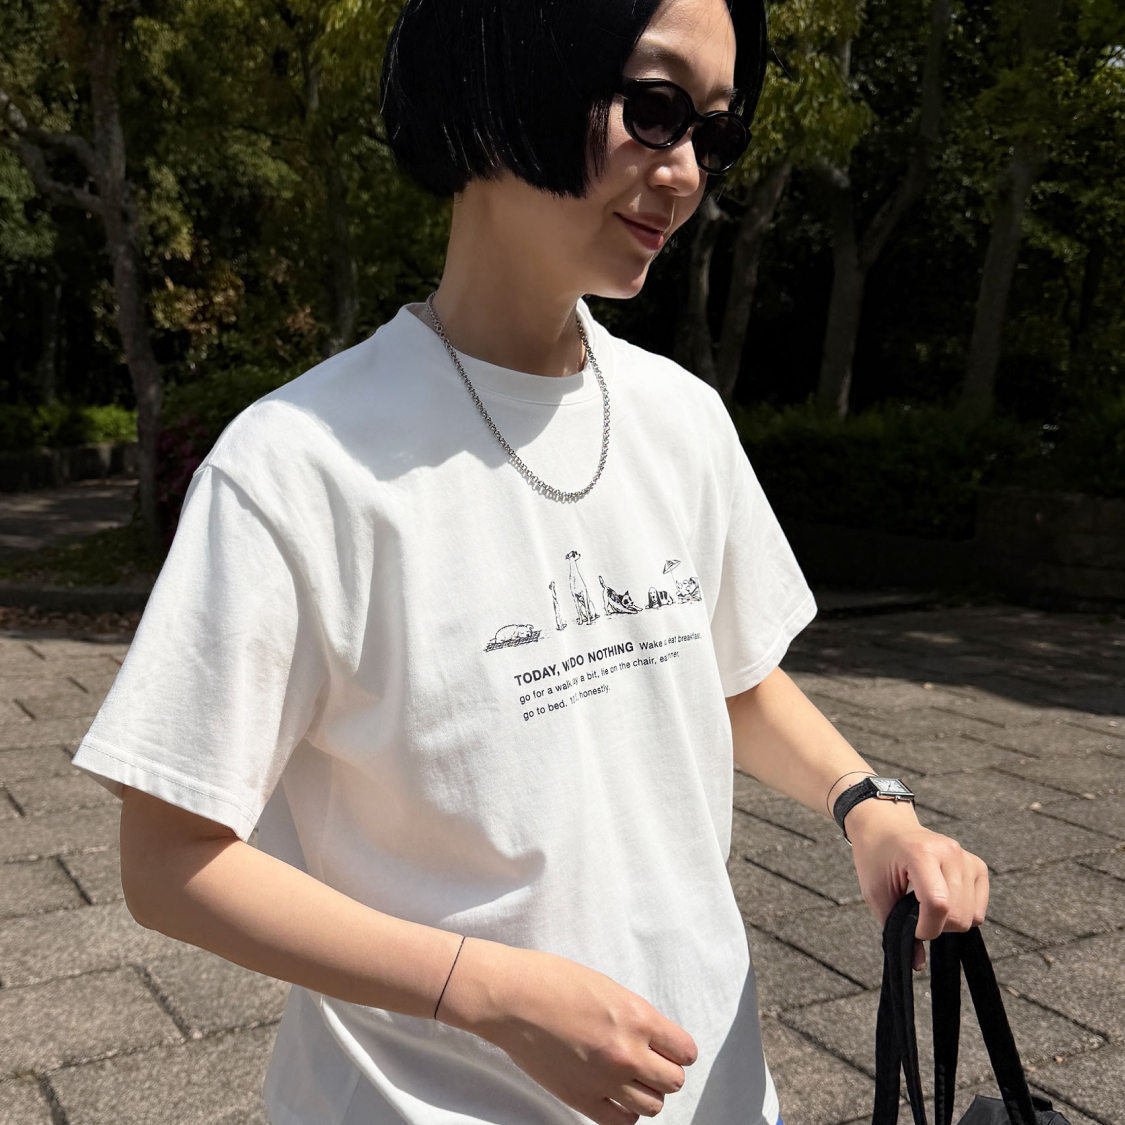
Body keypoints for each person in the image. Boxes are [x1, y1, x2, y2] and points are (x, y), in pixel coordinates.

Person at [71, 0, 991, 1122]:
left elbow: (724, 674)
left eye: (713, 131)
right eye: (655, 108)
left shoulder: (680, 419)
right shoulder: (298, 464)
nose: (687, 172)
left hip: (711, 1085)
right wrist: (486, 992)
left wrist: (869, 807)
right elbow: (170, 859)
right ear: (506, 65)